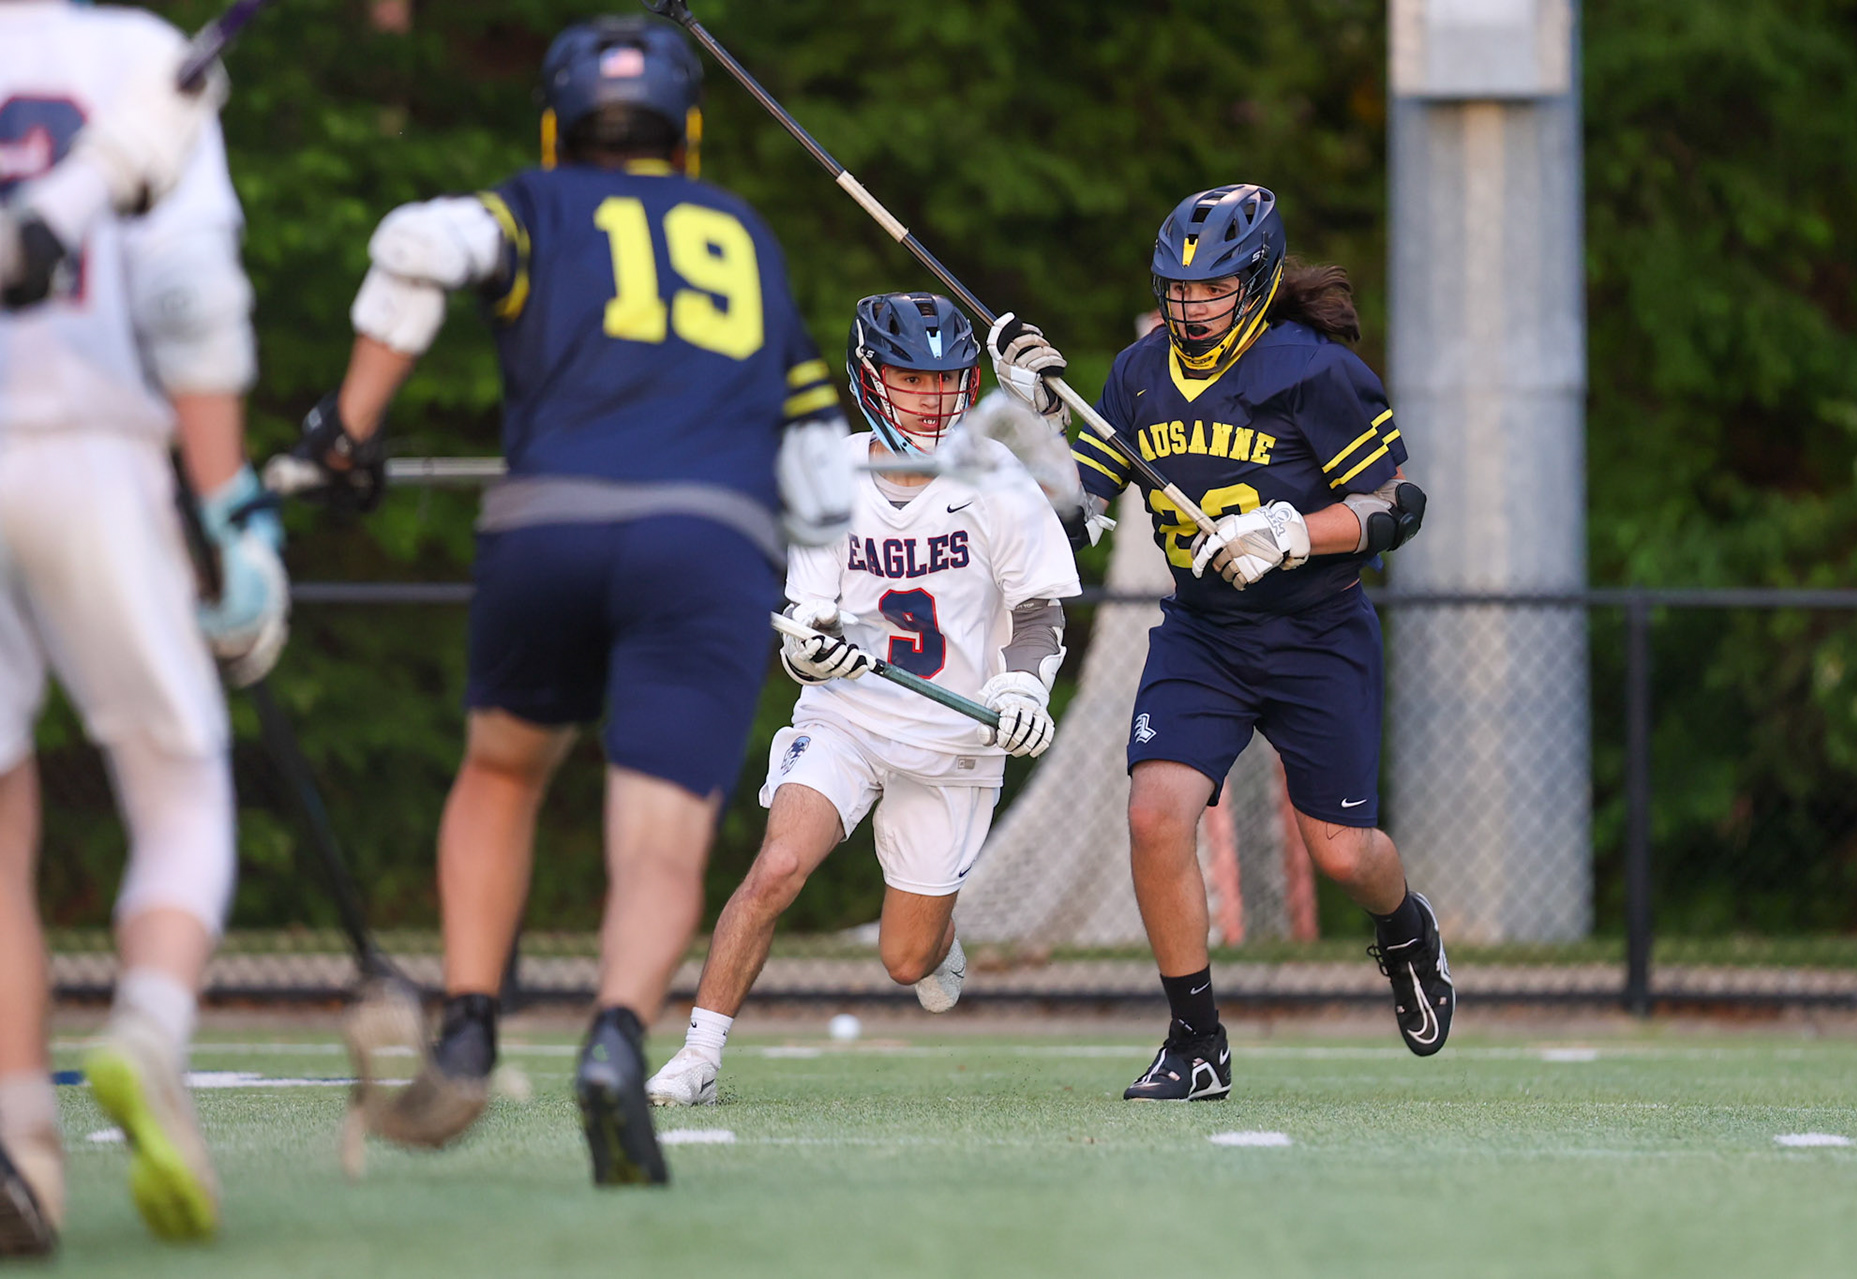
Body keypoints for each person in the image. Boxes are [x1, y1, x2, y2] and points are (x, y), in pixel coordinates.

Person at [286, 17, 852, 1185]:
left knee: (502, 770)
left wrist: (348, 431)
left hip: (548, 525)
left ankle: (473, 1021)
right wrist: (813, 577)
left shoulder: (533, 203)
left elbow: (411, 247)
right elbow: (815, 463)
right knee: (662, 826)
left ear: (557, 120)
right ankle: (611, 1041)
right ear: (685, 133)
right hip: (706, 543)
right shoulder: (743, 232)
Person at [990, 184, 1450, 1102]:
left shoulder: (1313, 372)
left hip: (1318, 632)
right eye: (1177, 288)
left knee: (1345, 852)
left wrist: (1291, 531)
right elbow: (1072, 513)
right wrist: (1038, 430)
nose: (1190, 305)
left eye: (1212, 288)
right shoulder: (1135, 373)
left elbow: (1397, 506)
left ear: (1259, 281)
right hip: (1205, 633)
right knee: (1156, 813)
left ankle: (1406, 931)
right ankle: (1195, 1040)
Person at [645, 292, 1082, 1107]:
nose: (934, 397)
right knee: (776, 867)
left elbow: (1039, 607)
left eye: (948, 380)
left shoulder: (993, 476)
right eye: (911, 379)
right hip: (848, 715)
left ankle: (941, 933)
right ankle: (699, 1054)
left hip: (954, 738)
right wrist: (810, 649)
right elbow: (809, 618)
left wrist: (1024, 681)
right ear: (870, 379)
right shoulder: (833, 474)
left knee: (908, 962)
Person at [0, 0, 284, 1254]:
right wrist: (228, 511)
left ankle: (20, 1147)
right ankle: (149, 1038)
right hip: (98, 453)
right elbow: (188, 294)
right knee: (182, 798)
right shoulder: (134, 53)